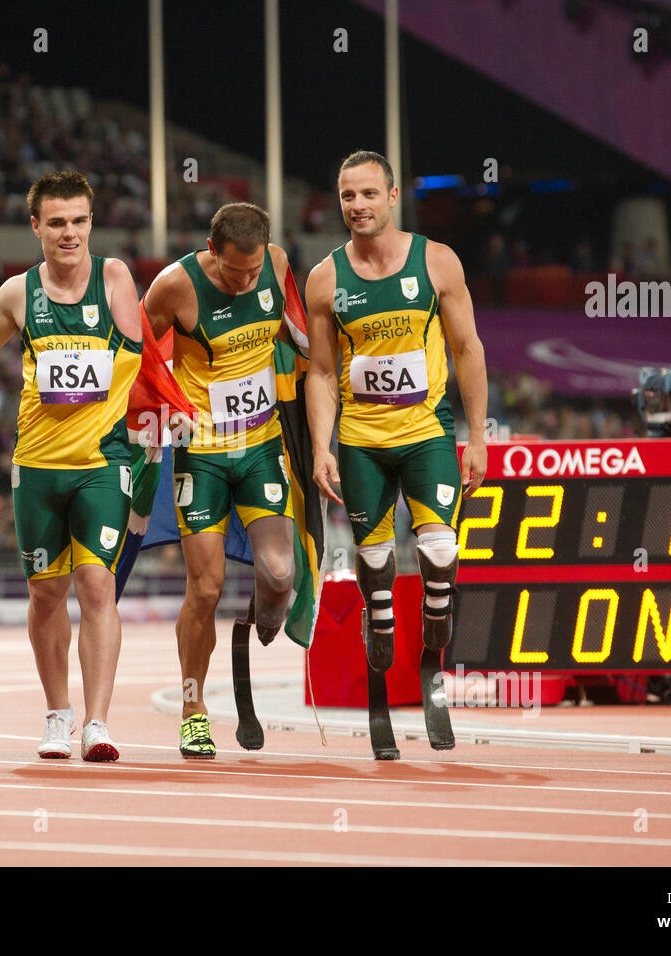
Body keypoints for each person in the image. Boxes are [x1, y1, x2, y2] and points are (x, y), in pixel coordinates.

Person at [0, 170, 142, 762]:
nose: (70, 233)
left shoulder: (114, 278)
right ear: (36, 226)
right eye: (58, 223)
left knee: (97, 585)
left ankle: (98, 722)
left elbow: (145, 354)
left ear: (92, 222)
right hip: (37, 468)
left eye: (80, 221)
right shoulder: (18, 293)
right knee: (45, 593)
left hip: (102, 461)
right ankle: (56, 714)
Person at [305, 150, 488, 714]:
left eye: (367, 194)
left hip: (426, 430)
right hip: (361, 438)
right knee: (375, 556)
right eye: (347, 196)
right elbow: (321, 370)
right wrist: (320, 446)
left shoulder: (437, 262)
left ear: (391, 197)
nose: (357, 206)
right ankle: (378, 616)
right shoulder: (325, 277)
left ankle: (438, 600)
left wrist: (477, 437)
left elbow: (466, 349)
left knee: (438, 547)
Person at [143, 202, 297, 759]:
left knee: (280, 574)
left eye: (253, 272)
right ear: (213, 252)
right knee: (203, 590)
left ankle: (265, 614)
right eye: (235, 273)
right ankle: (193, 709)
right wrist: (166, 406)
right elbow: (137, 353)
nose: (246, 281)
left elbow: (302, 338)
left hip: (259, 445)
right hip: (202, 453)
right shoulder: (173, 287)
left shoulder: (277, 266)